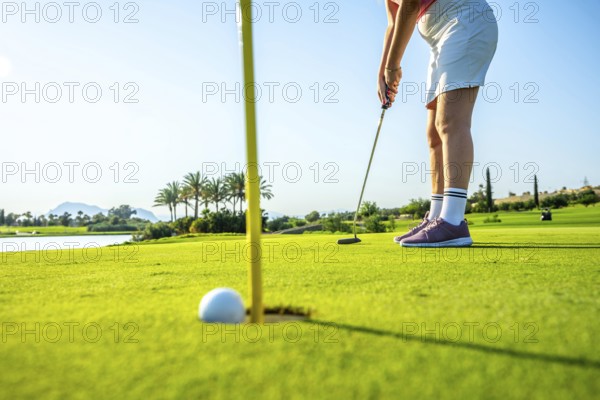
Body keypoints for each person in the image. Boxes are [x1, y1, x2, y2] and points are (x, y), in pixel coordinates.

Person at [379, 0, 498, 247]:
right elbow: (393, 23)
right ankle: (436, 216)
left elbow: (410, 6)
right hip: (439, 40)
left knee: (450, 121)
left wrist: (393, 65)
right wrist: (383, 73)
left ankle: (453, 221)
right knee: (433, 134)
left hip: (464, 21)